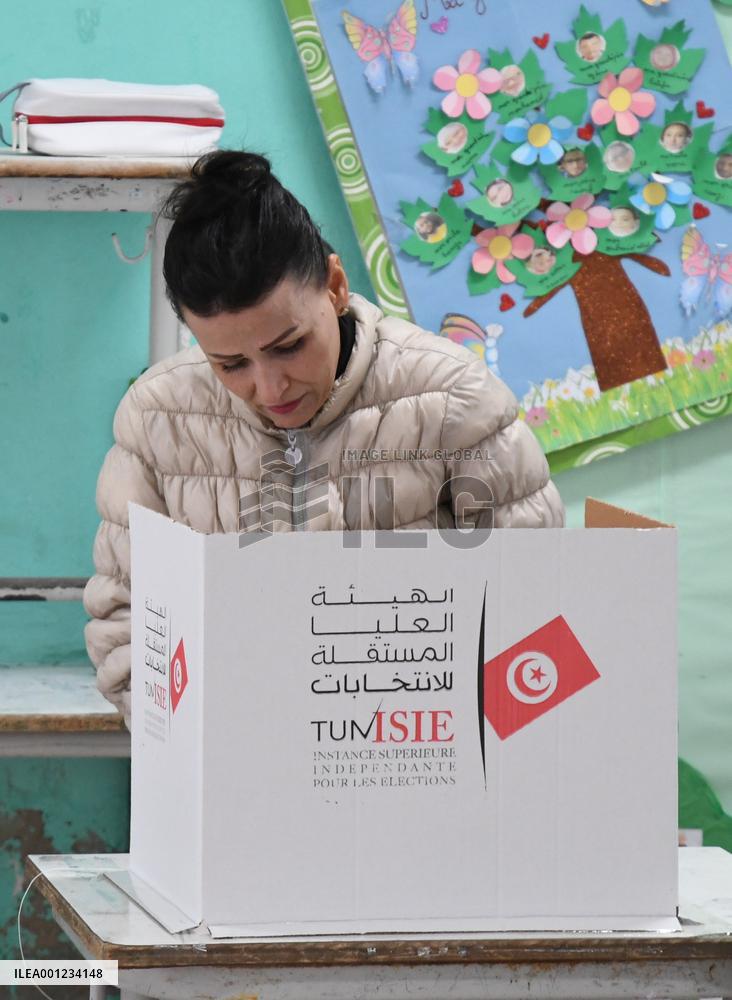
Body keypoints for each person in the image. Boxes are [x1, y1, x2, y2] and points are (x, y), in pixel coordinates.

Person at [83, 151, 564, 725]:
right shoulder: (157, 417)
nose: (269, 385)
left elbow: (540, 606)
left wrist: (450, 752)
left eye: (289, 345)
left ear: (334, 286)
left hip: (423, 763)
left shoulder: (455, 400)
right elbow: (125, 622)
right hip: (239, 763)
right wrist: (187, 735)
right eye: (230, 363)